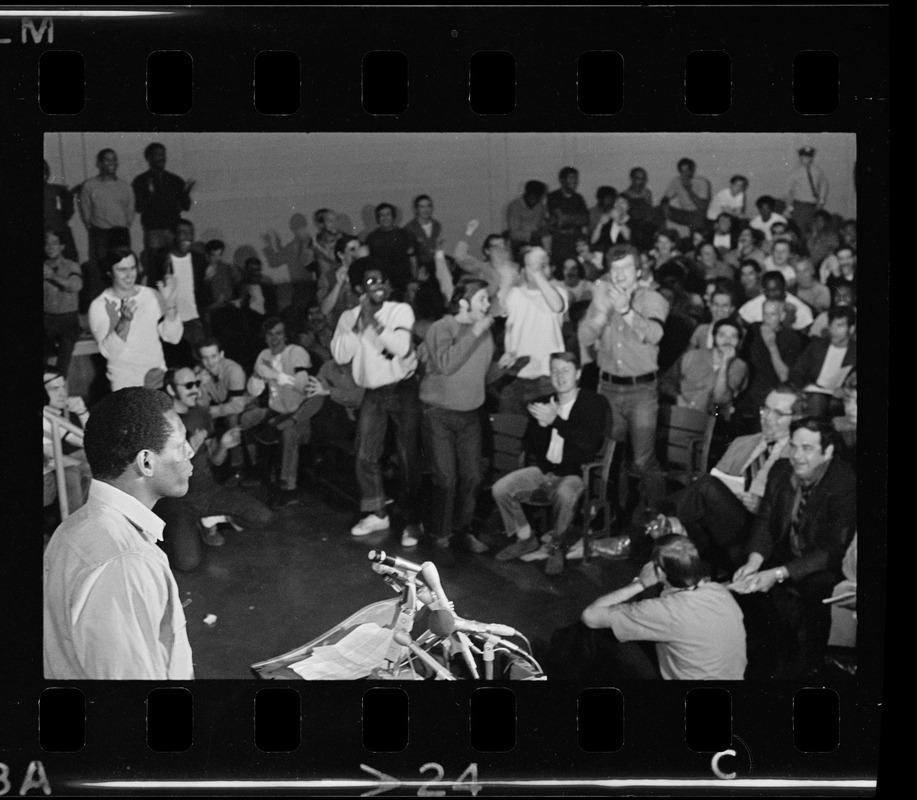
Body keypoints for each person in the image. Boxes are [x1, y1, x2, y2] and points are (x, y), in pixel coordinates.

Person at [44, 387, 195, 679]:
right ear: (146, 462)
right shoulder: (125, 563)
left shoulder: (71, 529)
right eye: (180, 444)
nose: (189, 451)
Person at [731, 417, 856, 678]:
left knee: (815, 588)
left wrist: (779, 573)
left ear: (828, 451)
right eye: (794, 446)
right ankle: (769, 654)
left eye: (807, 448)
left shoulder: (844, 482)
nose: (797, 456)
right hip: (787, 549)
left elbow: (832, 550)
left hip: (822, 560)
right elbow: (765, 521)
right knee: (745, 568)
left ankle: (811, 665)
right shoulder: (780, 470)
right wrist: (753, 562)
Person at [330, 259, 423, 541]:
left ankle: (412, 521)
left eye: (382, 280)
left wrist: (373, 323)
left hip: (402, 388)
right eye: (371, 281)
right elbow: (340, 354)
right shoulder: (350, 317)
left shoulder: (400, 310)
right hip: (373, 393)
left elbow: (401, 347)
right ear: (360, 287)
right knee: (365, 456)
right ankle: (378, 514)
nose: (378, 285)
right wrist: (359, 323)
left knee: (408, 457)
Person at [492, 351, 609, 576]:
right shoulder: (542, 402)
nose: (559, 376)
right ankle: (526, 538)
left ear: (577, 373)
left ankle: (557, 547)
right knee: (501, 489)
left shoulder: (593, 403)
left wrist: (555, 421)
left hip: (575, 473)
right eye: (554, 371)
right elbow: (531, 446)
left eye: (565, 371)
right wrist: (542, 426)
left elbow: (589, 444)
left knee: (566, 493)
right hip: (544, 471)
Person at [672, 385, 806, 576]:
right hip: (722, 523)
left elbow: (795, 514)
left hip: (758, 532)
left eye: (778, 414)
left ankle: (668, 525)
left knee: (703, 486)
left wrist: (762, 506)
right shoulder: (742, 443)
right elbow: (716, 482)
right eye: (765, 410)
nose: (767, 418)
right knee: (689, 499)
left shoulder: (798, 456)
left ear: (797, 419)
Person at [578, 244, 669, 513]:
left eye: (626, 268)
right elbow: (584, 338)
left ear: (638, 271)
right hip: (607, 388)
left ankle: (659, 517)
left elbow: (655, 334)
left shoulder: (651, 299)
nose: (618, 275)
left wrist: (626, 311)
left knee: (642, 460)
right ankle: (612, 516)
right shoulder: (602, 299)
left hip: (640, 390)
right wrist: (602, 310)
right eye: (614, 269)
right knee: (609, 457)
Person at [580, 534, 747, 680]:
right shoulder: (719, 591)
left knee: (599, 634)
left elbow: (590, 616)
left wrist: (640, 584)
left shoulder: (665, 610)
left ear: (659, 572)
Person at [154, 367, 273, 570]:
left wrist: (224, 446)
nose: (196, 390)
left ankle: (209, 519)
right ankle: (187, 527)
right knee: (187, 563)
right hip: (177, 500)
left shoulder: (200, 414)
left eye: (197, 384)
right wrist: (190, 446)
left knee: (263, 517)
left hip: (207, 491)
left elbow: (215, 461)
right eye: (189, 385)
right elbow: (159, 474)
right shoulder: (160, 422)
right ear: (171, 390)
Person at [419, 278, 498, 561]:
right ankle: (441, 539)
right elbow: (445, 364)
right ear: (463, 302)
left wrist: (508, 365)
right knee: (446, 479)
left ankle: (462, 530)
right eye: (482, 300)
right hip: (438, 414)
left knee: (473, 476)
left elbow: (481, 376)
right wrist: (475, 330)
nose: (487, 305)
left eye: (488, 300)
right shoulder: (442, 328)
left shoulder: (485, 334)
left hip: (470, 415)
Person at [243, 317, 316, 507]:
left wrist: (276, 376)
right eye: (270, 334)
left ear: (285, 335)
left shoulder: (296, 352)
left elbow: (302, 386)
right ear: (265, 337)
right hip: (273, 410)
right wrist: (258, 375)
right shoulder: (263, 355)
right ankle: (255, 468)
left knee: (288, 431)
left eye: (278, 333)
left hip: (298, 413)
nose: (274, 338)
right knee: (246, 418)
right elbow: (254, 391)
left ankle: (288, 487)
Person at [88, 248, 183, 390]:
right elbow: (109, 352)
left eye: (132, 268)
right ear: (109, 272)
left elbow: (173, 338)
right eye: (122, 270)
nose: (129, 275)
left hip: (157, 378)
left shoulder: (152, 295)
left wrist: (170, 303)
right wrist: (125, 321)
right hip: (126, 383)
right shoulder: (99, 305)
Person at [499, 247, 568, 413]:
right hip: (515, 375)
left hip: (547, 377)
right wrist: (506, 282)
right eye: (533, 265)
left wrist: (537, 274)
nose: (539, 269)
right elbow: (495, 311)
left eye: (543, 265)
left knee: (543, 434)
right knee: (509, 432)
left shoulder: (559, 292)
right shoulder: (513, 294)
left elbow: (557, 306)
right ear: (523, 270)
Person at [734, 299, 803, 433]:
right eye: (765, 314)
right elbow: (741, 361)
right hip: (748, 389)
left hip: (771, 391)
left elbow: (784, 376)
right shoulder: (754, 329)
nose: (767, 319)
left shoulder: (792, 338)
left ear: (782, 316)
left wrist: (772, 346)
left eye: (772, 315)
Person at [660, 317, 748, 419]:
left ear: (739, 341)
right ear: (714, 337)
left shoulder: (740, 366)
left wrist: (725, 363)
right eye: (722, 335)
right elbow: (665, 383)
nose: (727, 340)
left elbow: (719, 399)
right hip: (680, 415)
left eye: (733, 337)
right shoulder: (691, 356)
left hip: (713, 422)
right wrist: (678, 398)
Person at [77, 148, 135, 301]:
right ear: (99, 163)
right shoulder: (90, 186)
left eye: (114, 159)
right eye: (107, 159)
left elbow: (130, 212)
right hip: (100, 233)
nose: (111, 163)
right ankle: (102, 306)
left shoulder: (125, 186)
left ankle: (124, 302)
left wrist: (121, 225)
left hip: (120, 233)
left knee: (123, 268)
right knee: (100, 271)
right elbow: (85, 210)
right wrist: (94, 226)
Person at [148, 218, 209, 359]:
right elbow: (154, 289)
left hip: (194, 319)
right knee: (178, 360)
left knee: (201, 358)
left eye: (190, 233)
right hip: (173, 319)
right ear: (173, 235)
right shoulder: (162, 259)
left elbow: (202, 290)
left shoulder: (198, 259)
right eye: (183, 233)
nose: (188, 237)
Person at [132, 142, 195, 275]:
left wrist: (186, 193)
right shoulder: (141, 180)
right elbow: (138, 207)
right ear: (148, 158)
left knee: (175, 268)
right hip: (154, 231)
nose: (161, 158)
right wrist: (149, 193)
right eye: (157, 155)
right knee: (156, 268)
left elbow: (186, 206)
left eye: (163, 154)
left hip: (174, 230)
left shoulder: (175, 180)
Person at [197, 337, 253, 483]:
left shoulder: (234, 370)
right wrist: (200, 387)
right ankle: (211, 466)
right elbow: (200, 407)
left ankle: (238, 467)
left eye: (214, 356)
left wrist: (210, 412)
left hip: (244, 406)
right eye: (205, 358)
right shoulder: (199, 374)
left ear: (221, 354)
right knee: (201, 422)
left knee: (232, 419)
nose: (210, 362)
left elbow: (237, 405)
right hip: (220, 407)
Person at [789, 307, 856, 417]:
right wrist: (804, 388)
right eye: (831, 325)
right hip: (813, 391)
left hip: (839, 397)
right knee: (814, 399)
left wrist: (846, 391)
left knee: (818, 401)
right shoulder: (817, 346)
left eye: (839, 326)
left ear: (851, 329)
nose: (833, 331)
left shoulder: (854, 352)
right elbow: (797, 371)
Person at [43, 370, 92, 514]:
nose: (63, 393)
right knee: (71, 470)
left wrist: (82, 412)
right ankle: (74, 525)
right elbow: (55, 456)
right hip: (45, 482)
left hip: (51, 467)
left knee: (93, 457)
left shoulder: (51, 416)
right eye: (54, 388)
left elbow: (89, 442)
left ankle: (85, 518)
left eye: (63, 386)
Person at [43, 230, 84, 380]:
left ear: (62, 246)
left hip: (68, 321)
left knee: (64, 352)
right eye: (46, 244)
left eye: (54, 243)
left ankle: (60, 386)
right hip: (47, 321)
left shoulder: (71, 266)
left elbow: (75, 285)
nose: (50, 247)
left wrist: (52, 276)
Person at [365, 202, 417, 297]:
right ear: (377, 218)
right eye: (382, 215)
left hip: (405, 283)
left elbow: (413, 260)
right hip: (383, 285)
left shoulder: (405, 235)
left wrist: (414, 280)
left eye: (388, 214)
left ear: (393, 217)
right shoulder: (371, 238)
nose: (385, 218)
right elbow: (368, 264)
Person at [738, 270, 814, 331]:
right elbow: (743, 323)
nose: (772, 294)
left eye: (776, 290)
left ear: (784, 287)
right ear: (763, 290)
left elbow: (804, 339)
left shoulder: (801, 309)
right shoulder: (753, 305)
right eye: (768, 290)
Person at [546, 167, 590, 268]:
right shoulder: (553, 196)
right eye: (571, 178)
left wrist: (568, 219)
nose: (575, 181)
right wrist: (576, 219)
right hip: (559, 239)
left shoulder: (578, 198)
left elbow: (586, 219)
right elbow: (561, 218)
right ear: (562, 180)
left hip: (576, 238)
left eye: (576, 178)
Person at [661, 158, 711, 238]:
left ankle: (693, 243)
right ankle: (662, 238)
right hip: (683, 213)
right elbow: (665, 198)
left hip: (696, 213)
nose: (685, 174)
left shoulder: (702, 182)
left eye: (687, 171)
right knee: (658, 210)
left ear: (692, 170)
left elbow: (702, 206)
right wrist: (664, 206)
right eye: (682, 171)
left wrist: (689, 190)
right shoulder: (676, 181)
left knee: (697, 218)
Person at [786, 146, 829, 236]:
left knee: (814, 230)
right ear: (800, 157)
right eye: (804, 157)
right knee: (800, 231)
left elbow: (824, 184)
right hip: (800, 206)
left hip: (814, 205)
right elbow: (790, 191)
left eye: (809, 157)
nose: (807, 159)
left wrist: (821, 200)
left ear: (812, 157)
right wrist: (789, 207)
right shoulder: (795, 172)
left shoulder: (817, 170)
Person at [43, 160, 78, 262]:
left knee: (70, 260)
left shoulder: (60, 190)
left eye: (45, 170)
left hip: (60, 232)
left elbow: (68, 213)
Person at [403, 194, 442, 273]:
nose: (426, 210)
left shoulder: (436, 225)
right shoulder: (409, 229)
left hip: (436, 266)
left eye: (428, 206)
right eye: (422, 207)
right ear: (416, 209)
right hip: (420, 269)